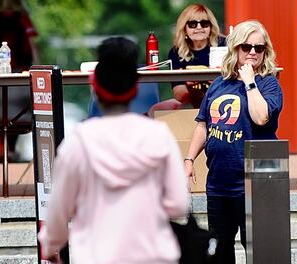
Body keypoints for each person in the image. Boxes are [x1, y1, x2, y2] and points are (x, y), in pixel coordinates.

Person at [38, 37, 189, 263]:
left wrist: (51, 244)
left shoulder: (79, 142)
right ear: (135, 88)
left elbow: (59, 211)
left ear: (95, 86)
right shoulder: (159, 136)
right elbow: (178, 203)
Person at [183, 20, 283, 264]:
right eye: (246, 47)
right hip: (218, 183)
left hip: (253, 184)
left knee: (257, 250)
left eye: (258, 48)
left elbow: (261, 117)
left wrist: (249, 82)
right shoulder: (219, 84)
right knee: (219, 250)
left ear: (265, 51)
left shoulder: (269, 83)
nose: (252, 52)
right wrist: (189, 159)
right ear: (235, 49)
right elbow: (203, 124)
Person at [0, 0, 39, 160]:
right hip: (20, 71)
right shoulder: (23, 20)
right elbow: (32, 44)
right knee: (18, 110)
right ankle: (12, 148)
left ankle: (5, 147)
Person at [168, 3, 226, 108]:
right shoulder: (176, 52)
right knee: (157, 109)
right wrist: (188, 83)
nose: (199, 27)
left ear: (211, 27)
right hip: (190, 102)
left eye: (204, 23)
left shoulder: (224, 45)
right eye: (192, 24)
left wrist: (218, 81)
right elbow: (179, 95)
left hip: (223, 100)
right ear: (184, 28)